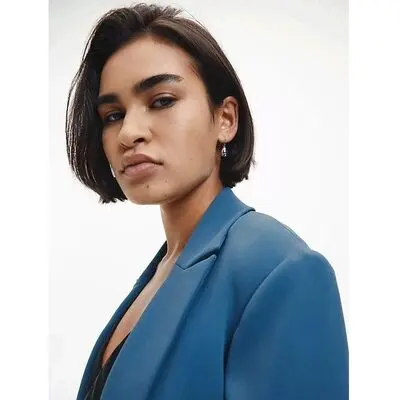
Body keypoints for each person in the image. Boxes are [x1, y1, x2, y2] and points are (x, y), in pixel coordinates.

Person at [65, 3, 348, 400]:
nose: (129, 132)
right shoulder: (160, 272)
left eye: (162, 100)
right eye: (113, 115)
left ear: (225, 120)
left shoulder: (280, 269)